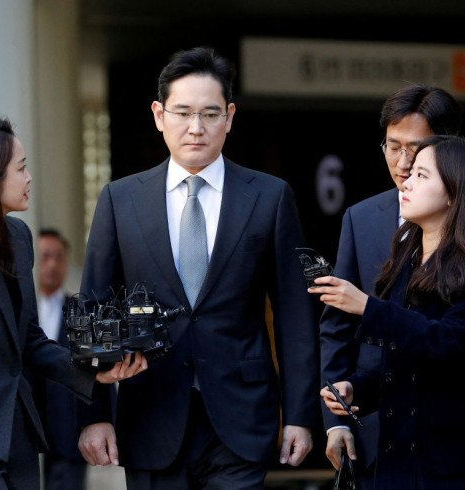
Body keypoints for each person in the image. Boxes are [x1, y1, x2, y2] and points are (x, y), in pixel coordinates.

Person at [77, 46, 319, 489]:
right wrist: (94, 416)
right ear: (158, 114)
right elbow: (95, 311)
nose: (196, 128)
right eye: (183, 112)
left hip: (241, 418)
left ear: (229, 116)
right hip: (151, 414)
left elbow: (294, 316)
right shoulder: (120, 199)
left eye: (209, 114)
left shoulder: (269, 197)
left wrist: (300, 415)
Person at [0, 118, 146, 490]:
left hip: (17, 437)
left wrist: (94, 371)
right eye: (20, 168)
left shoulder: (17, 237)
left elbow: (30, 340)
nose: (29, 177)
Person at [318, 84, 465, 487]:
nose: (404, 168)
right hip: (392, 439)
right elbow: (345, 334)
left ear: (454, 172)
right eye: (392, 147)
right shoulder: (402, 247)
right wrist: (352, 393)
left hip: (463, 444)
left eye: (420, 161)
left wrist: (368, 308)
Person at [31, 228, 88, 489]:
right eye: (45, 257)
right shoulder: (21, 308)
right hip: (29, 430)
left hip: (67, 433)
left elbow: (91, 368)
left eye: (58, 257)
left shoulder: (80, 313)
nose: (52, 264)